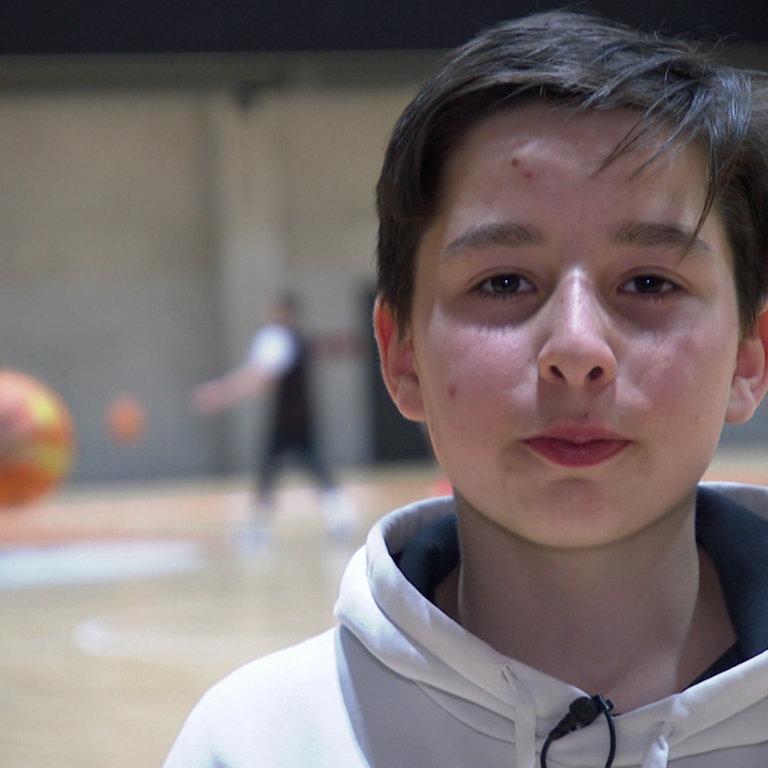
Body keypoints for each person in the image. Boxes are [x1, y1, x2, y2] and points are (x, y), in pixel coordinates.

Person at [165, 10, 768, 766]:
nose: (577, 348)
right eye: (504, 281)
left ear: (750, 356)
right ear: (404, 356)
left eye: (649, 281)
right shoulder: (252, 741)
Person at [193, 291, 357, 544]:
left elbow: (260, 376)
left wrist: (221, 393)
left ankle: (264, 527)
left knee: (289, 468)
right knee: (287, 469)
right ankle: (336, 518)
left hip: (288, 420)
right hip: (297, 418)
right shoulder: (295, 339)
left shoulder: (280, 340)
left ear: (285, 313)